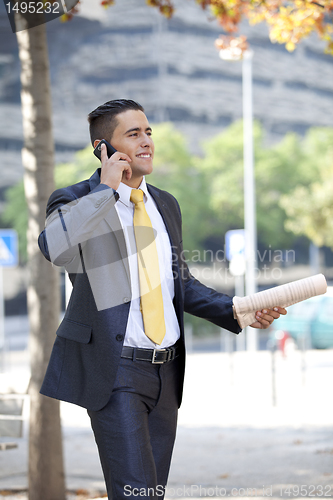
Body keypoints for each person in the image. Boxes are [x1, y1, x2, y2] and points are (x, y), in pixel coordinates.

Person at [38, 99, 286, 499]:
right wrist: (106, 189)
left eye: (148, 132)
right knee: (136, 492)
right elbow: (53, 246)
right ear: (103, 148)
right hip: (115, 370)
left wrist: (239, 311)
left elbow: (180, 283)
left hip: (166, 373)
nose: (146, 141)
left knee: (150, 492)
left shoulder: (165, 204)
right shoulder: (75, 199)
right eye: (133, 134)